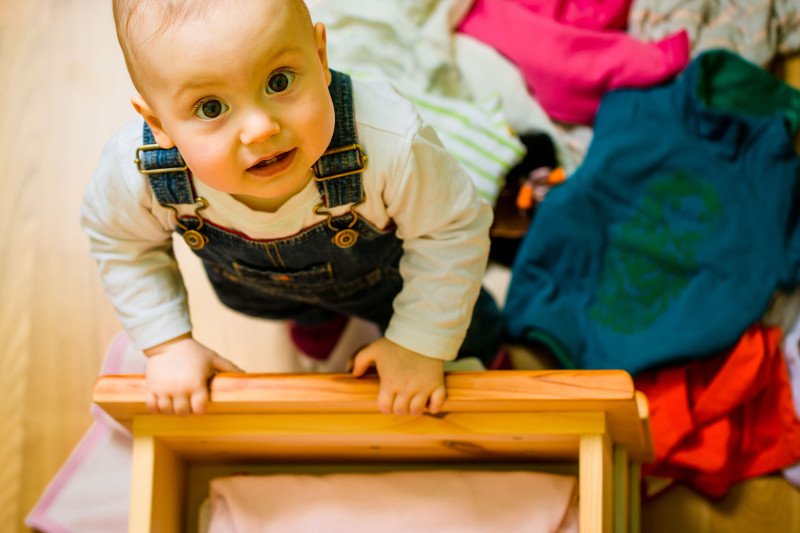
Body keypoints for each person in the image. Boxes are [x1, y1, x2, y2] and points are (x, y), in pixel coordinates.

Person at [82, 0, 504, 417]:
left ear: (320, 58)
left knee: (465, 331)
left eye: (279, 81)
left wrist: (419, 344)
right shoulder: (136, 172)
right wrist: (168, 342)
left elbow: (450, 231)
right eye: (211, 108)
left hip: (392, 280)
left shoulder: (388, 142)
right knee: (297, 306)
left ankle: (491, 360)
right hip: (262, 291)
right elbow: (122, 245)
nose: (261, 128)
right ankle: (318, 317)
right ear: (157, 124)